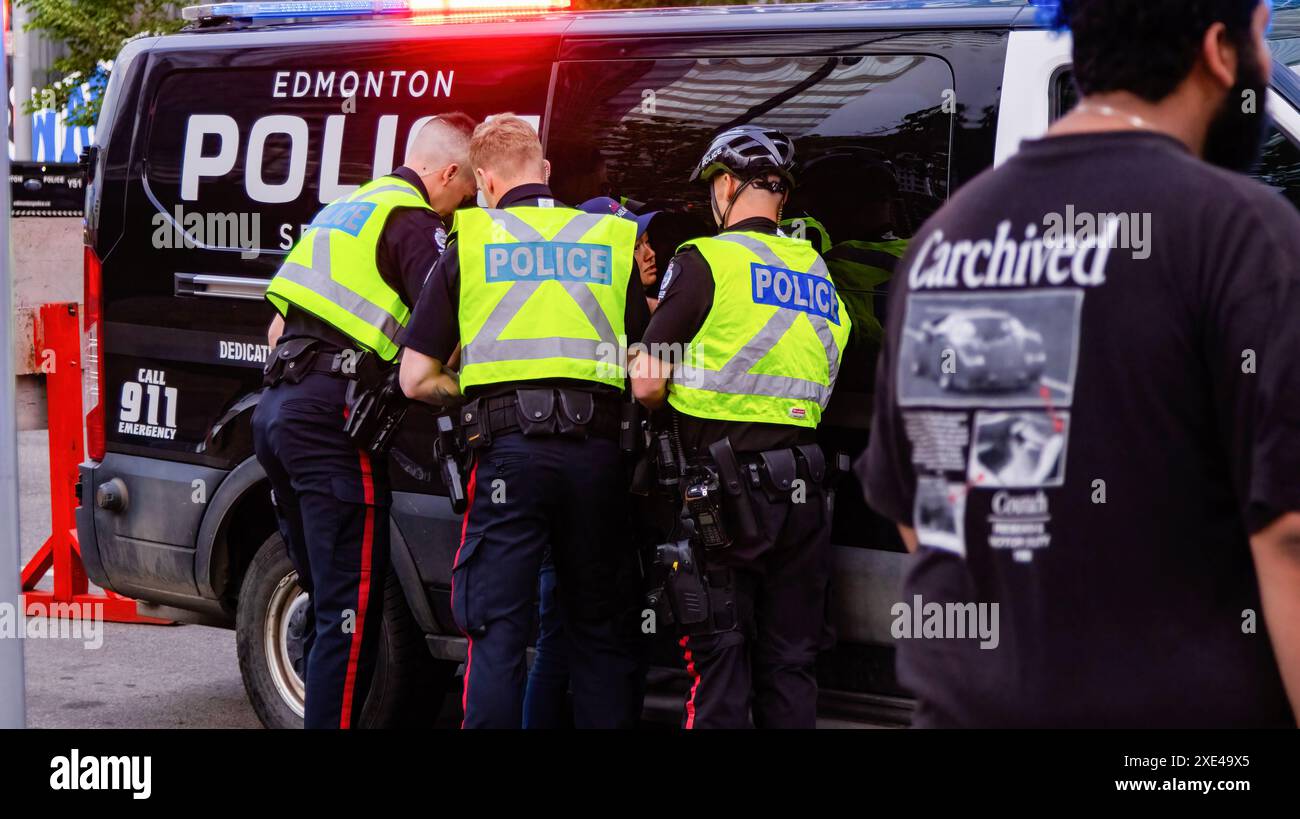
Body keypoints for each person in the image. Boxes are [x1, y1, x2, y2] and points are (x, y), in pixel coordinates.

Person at [863, 0, 1300, 727]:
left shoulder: (944, 242)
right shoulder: (1243, 232)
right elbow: (1288, 533)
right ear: (1221, 51)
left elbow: (924, 513)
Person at [398, 114, 648, 729]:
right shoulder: (607, 238)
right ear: (545, 170)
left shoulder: (473, 242)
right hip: (597, 458)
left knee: (499, 629)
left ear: (484, 181)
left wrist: (474, 391)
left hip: (509, 456)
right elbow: (647, 364)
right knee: (596, 628)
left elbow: (414, 378)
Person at [252, 113, 477, 729]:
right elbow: (447, 329)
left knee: (329, 605)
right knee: (351, 616)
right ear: (449, 172)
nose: (464, 208)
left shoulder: (345, 210)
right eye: (466, 193)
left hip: (275, 413)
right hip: (331, 423)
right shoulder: (415, 224)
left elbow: (277, 328)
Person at [631, 125, 852, 729]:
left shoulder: (705, 260)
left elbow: (648, 381)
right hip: (804, 487)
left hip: (724, 495)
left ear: (727, 186)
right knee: (789, 662)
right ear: (780, 197)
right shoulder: (816, 270)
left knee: (721, 660)